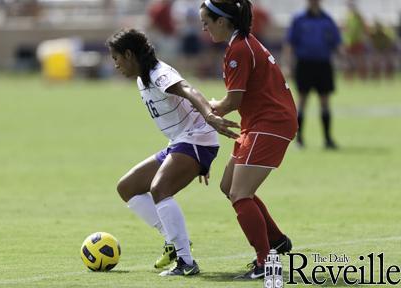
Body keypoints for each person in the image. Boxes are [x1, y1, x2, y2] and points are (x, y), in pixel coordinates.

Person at [106, 29, 239, 277]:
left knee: (160, 190)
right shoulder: (142, 78)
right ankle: (173, 240)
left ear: (129, 54)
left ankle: (186, 262)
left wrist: (210, 117)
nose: (115, 65)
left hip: (196, 139)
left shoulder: (159, 74)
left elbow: (189, 90)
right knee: (127, 187)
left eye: (116, 58)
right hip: (181, 143)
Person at [199, 0, 297, 279]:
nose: (203, 26)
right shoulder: (242, 42)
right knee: (229, 186)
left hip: (269, 123)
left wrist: (205, 108)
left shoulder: (239, 49)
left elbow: (233, 100)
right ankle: (277, 240)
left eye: (206, 20)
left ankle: (265, 262)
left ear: (222, 21)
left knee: (240, 194)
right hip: (259, 123)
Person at [285, 0, 341, 149]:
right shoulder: (299, 19)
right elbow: (290, 43)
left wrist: (344, 59)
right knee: (302, 101)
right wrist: (288, 65)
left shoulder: (327, 19)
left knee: (325, 101)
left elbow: (336, 42)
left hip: (323, 65)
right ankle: (299, 139)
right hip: (304, 64)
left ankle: (328, 139)